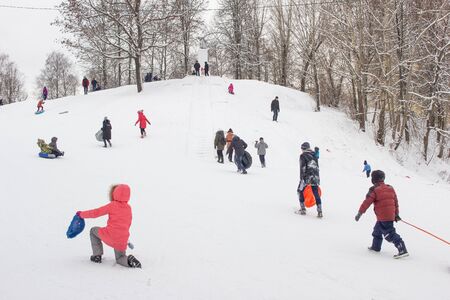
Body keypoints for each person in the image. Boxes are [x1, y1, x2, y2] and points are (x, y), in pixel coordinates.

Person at [76, 184, 141, 268]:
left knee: (93, 231)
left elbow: (96, 212)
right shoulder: (128, 208)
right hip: (122, 239)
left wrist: (81, 214)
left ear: (115, 193)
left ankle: (97, 255)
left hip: (110, 235)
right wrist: (126, 239)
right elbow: (127, 224)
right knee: (120, 258)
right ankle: (129, 260)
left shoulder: (112, 205)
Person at [355, 170, 409, 259]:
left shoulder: (373, 190)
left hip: (384, 217)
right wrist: (396, 214)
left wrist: (360, 213)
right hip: (387, 216)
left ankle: (402, 248)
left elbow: (366, 202)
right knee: (377, 231)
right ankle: (376, 247)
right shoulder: (390, 188)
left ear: (373, 180)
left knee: (389, 234)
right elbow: (395, 202)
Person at [297, 142, 322, 217]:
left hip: (307, 177)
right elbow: (317, 159)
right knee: (316, 193)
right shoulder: (314, 155)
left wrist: (301, 178)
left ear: (303, 148)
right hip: (316, 177)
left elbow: (303, 167)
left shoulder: (303, 156)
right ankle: (320, 211)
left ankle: (303, 209)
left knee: (300, 190)